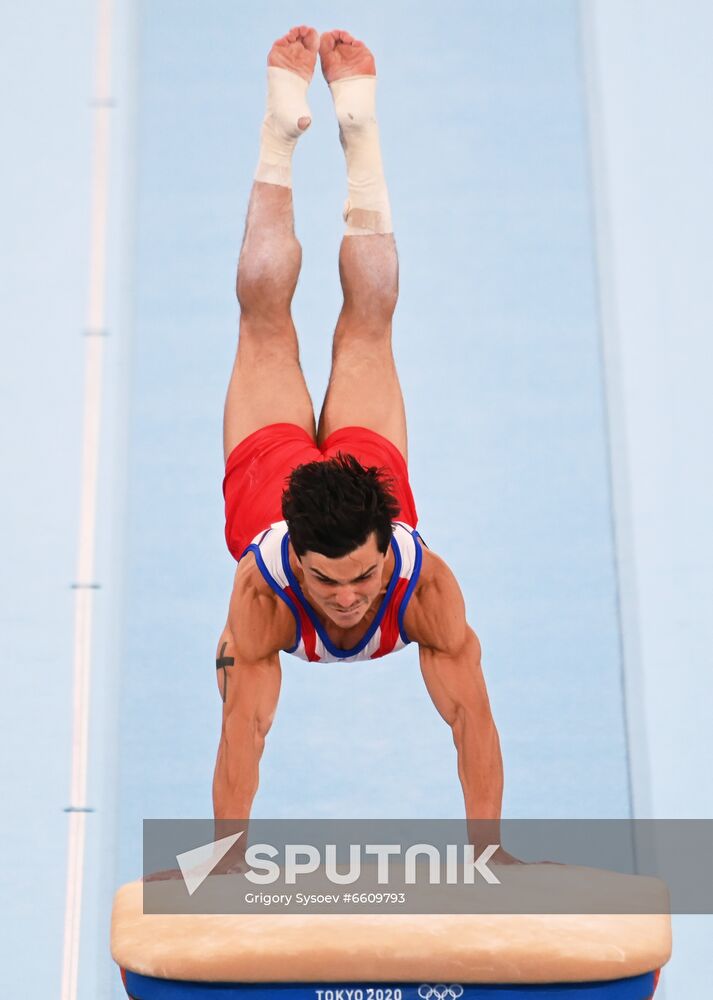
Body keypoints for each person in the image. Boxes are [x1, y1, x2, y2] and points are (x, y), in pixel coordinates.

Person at [213, 26, 510, 860]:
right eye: (330, 582)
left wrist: (488, 858)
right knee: (272, 320)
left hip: (359, 477)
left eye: (363, 578)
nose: (347, 599)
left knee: (353, 327)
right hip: (277, 490)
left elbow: (470, 722)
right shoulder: (262, 599)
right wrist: (226, 860)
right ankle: (287, 130)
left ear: (391, 550)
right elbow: (244, 735)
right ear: (296, 565)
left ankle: (351, 130)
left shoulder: (425, 588)